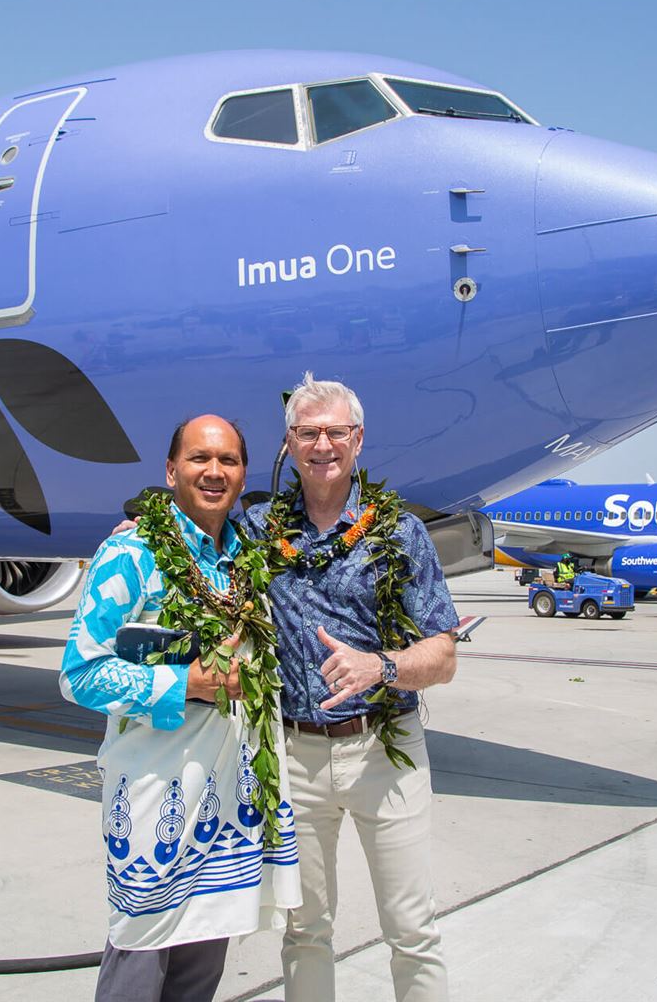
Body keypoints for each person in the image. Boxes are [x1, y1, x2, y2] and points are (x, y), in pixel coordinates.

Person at [60, 415, 299, 1002]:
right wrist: (186, 682)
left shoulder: (249, 560)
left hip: (226, 804)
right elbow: (79, 675)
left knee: (201, 965)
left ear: (244, 476)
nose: (214, 472)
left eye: (229, 461)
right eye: (199, 459)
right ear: (171, 471)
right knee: (141, 957)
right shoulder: (131, 552)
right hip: (154, 794)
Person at [243, 373, 459, 1002]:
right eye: (308, 433)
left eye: (336, 432)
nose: (323, 445)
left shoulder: (399, 533)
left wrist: (381, 667)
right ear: (290, 443)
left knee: (412, 929)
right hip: (293, 758)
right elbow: (199, 561)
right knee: (304, 929)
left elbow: (443, 655)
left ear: (358, 439)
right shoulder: (258, 532)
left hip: (383, 753)